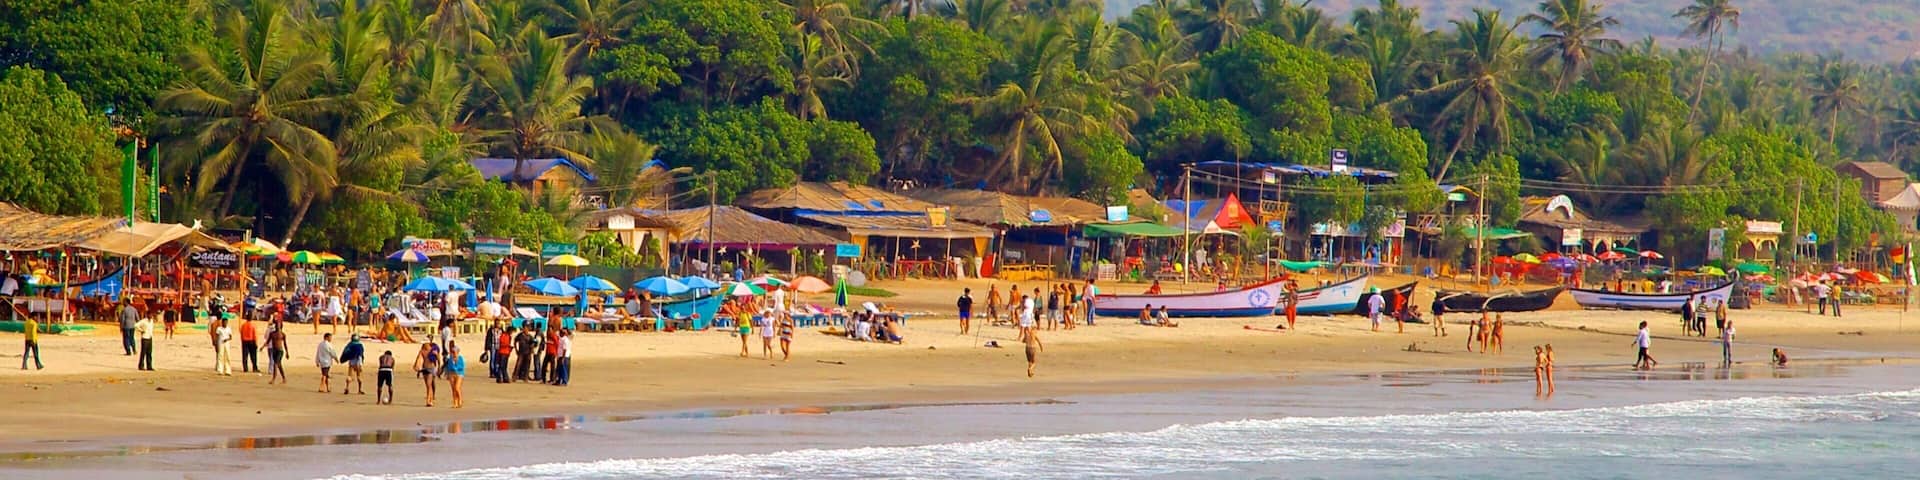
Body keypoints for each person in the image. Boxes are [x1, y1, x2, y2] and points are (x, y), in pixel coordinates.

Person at [413, 338, 441, 406]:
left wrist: (439, 368)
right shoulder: (422, 351)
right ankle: (430, 399)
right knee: (428, 386)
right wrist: (416, 367)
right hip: (424, 369)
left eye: (425, 343)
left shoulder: (433, 350)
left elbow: (438, 359)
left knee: (429, 385)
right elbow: (418, 359)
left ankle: (429, 401)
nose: (424, 344)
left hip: (431, 368)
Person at [445, 342, 466, 408]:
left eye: (455, 352)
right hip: (451, 374)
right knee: (453, 389)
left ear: (458, 352)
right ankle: (455, 402)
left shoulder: (460, 358)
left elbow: (462, 366)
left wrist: (455, 368)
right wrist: (447, 374)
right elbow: (448, 367)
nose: (454, 353)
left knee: (457, 388)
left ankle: (460, 400)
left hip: (459, 374)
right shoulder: (450, 359)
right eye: (453, 352)